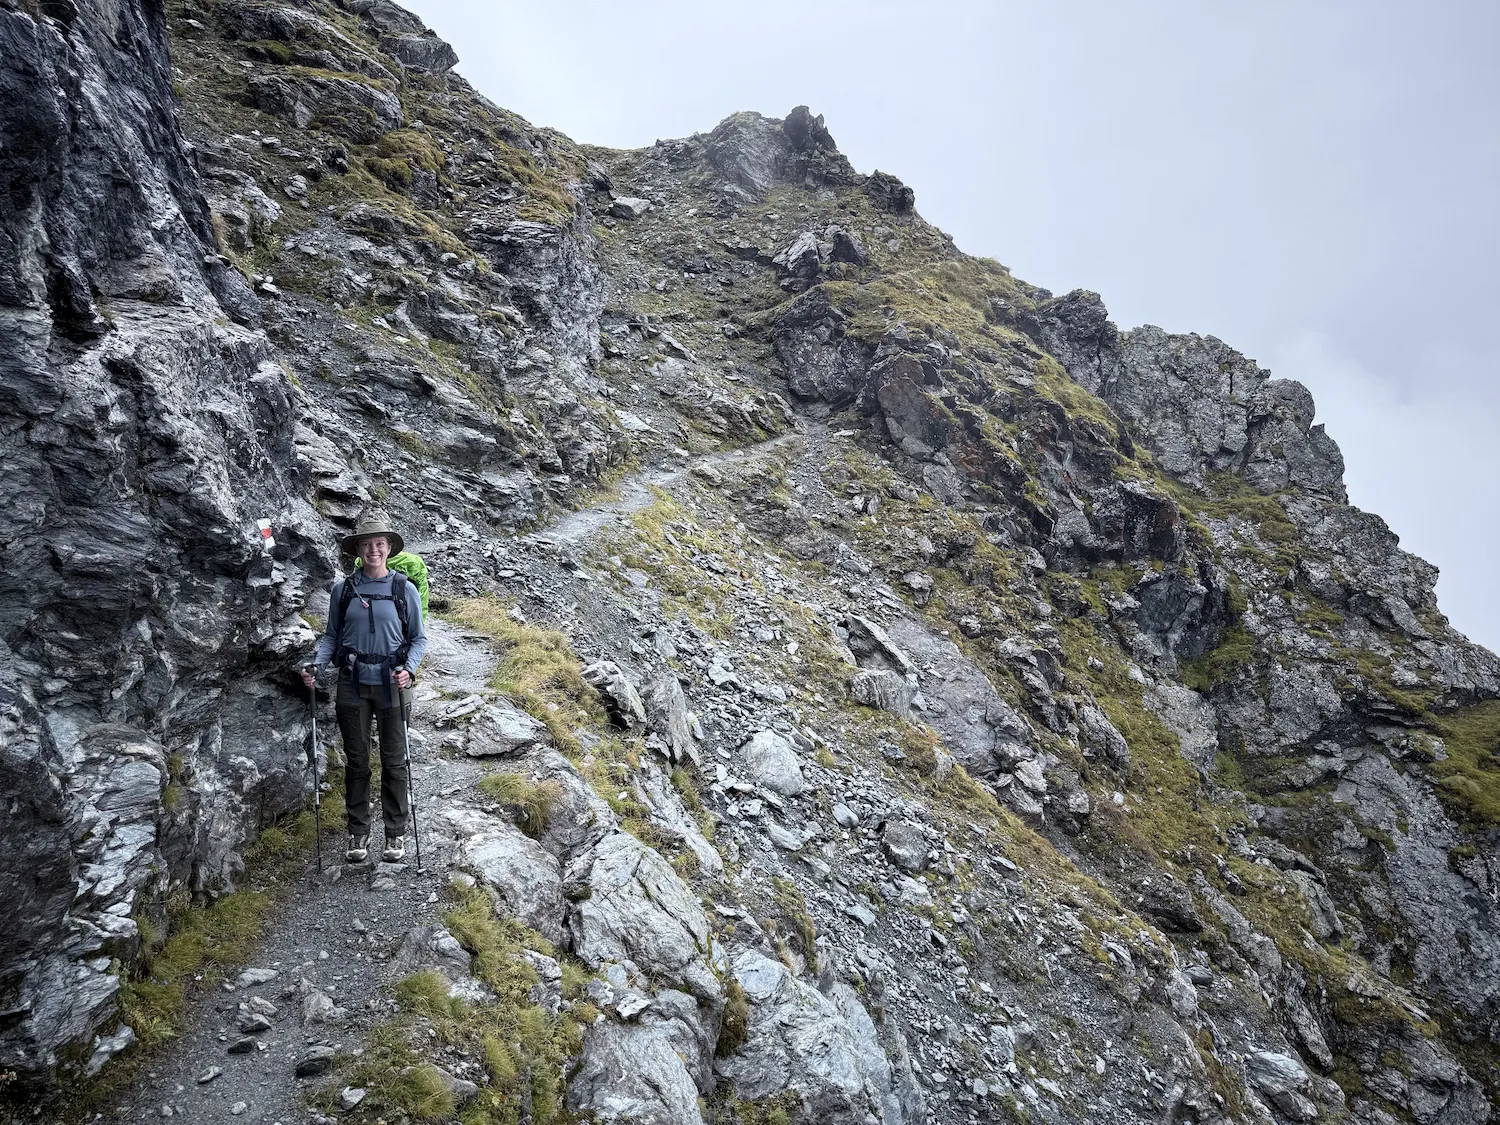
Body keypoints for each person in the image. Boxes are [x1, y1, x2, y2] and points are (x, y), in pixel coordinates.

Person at [302, 514, 428, 863]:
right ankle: (358, 834)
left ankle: (395, 834)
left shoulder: (405, 589)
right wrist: (317, 665)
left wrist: (409, 671)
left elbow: (418, 639)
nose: (374, 549)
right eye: (367, 544)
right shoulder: (343, 590)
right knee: (357, 763)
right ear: (358, 550)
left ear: (388, 549)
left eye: (380, 544)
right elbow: (331, 636)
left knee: (394, 762)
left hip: (393, 683)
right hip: (353, 683)